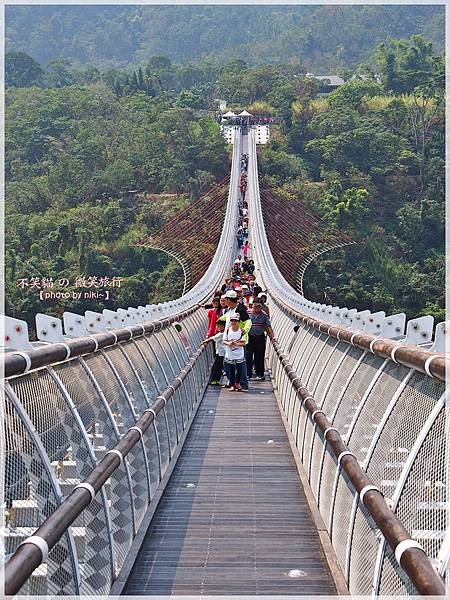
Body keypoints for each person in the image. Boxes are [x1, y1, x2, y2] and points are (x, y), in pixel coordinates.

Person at [246, 298, 276, 381]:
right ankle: (248, 374)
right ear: (252, 305)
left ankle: (260, 373)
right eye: (255, 306)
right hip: (249, 337)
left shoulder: (264, 315)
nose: (257, 308)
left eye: (259, 306)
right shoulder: (247, 313)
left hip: (260, 337)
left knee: (259, 356)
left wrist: (272, 336)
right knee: (248, 356)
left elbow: (268, 326)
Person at [223, 313, 246, 391]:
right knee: (231, 369)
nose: (233, 322)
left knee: (239, 369)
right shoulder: (228, 330)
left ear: (239, 322)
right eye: (232, 320)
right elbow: (224, 341)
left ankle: (237, 383)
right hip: (230, 353)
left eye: (235, 321)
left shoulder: (242, 331)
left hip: (239, 353)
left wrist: (237, 344)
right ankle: (232, 384)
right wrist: (229, 343)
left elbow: (244, 343)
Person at [203, 320, 226, 385]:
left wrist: (205, 341)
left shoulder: (222, 334)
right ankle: (215, 380)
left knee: (216, 367)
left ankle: (214, 380)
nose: (217, 328)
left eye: (219, 326)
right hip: (220, 352)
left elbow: (213, 338)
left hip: (221, 353)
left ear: (223, 326)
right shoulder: (221, 332)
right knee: (218, 366)